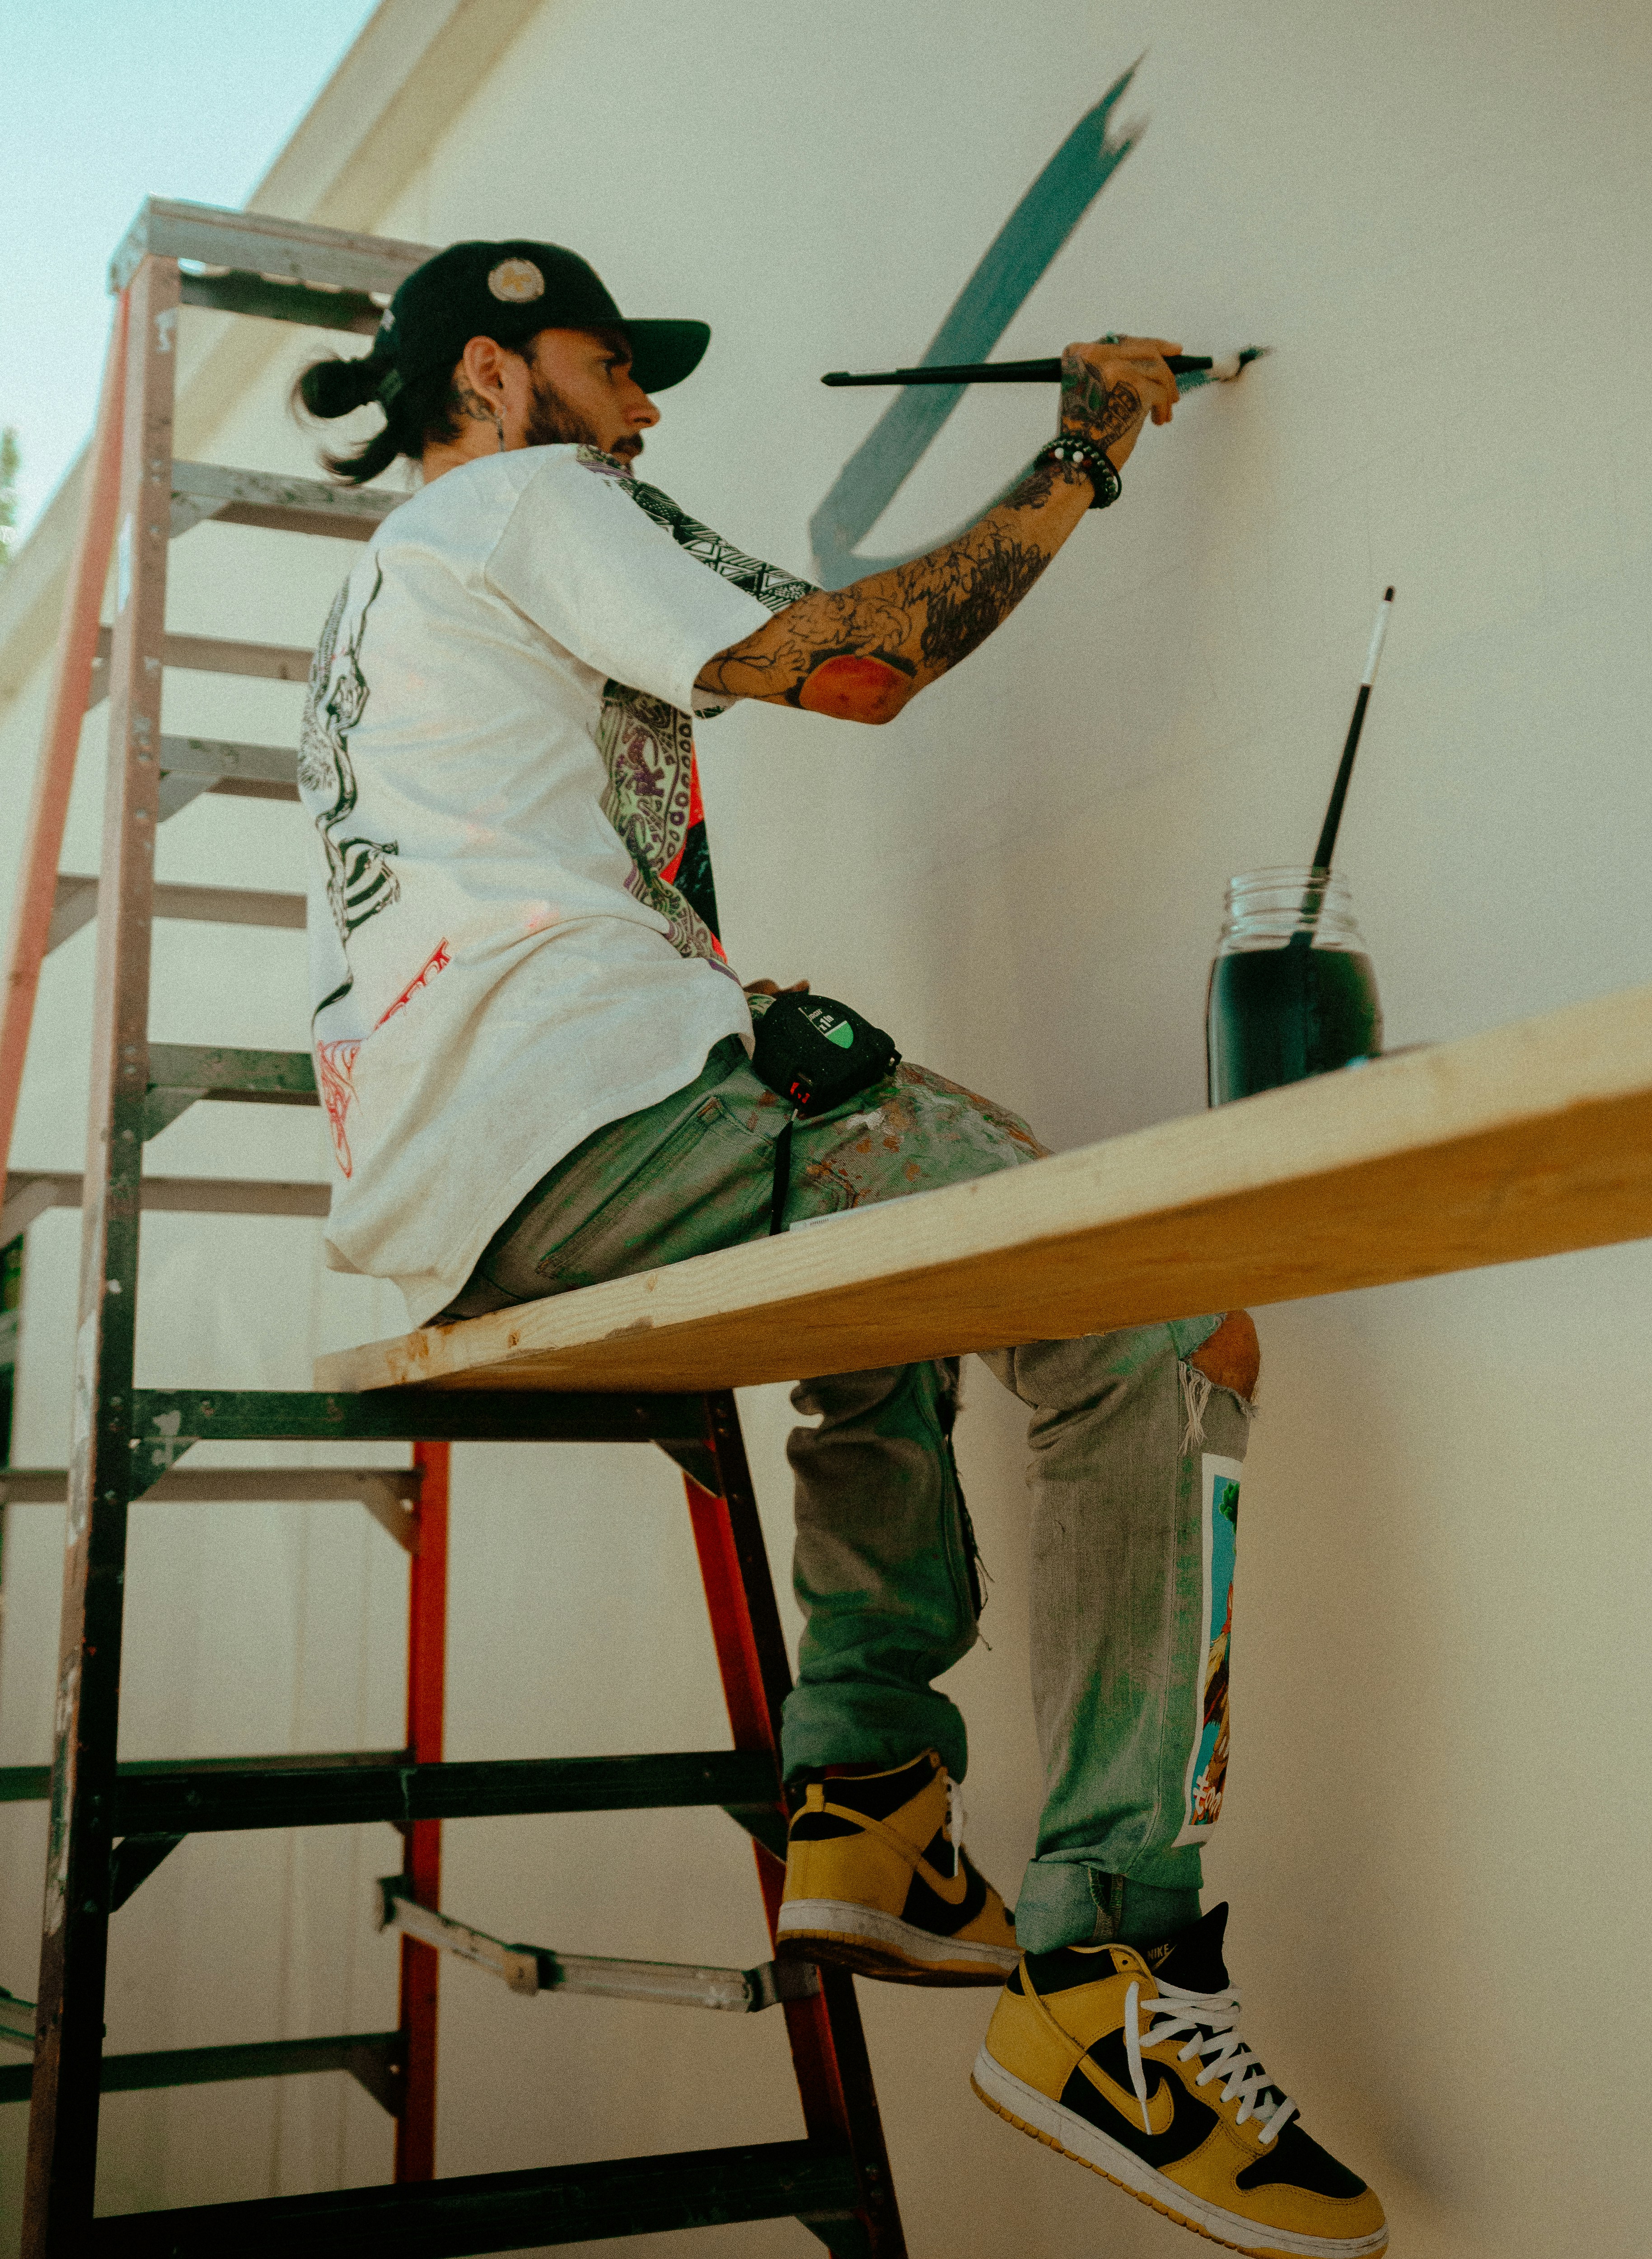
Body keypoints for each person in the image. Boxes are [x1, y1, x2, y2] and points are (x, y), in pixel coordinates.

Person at [295, 238, 1386, 2256]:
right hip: (590, 1092)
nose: (644, 408)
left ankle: (871, 1797)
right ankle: (1105, 1973)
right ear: (484, 375)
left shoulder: (390, 592)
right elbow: (860, 659)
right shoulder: (526, 498)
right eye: (610, 366)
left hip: (472, 1174)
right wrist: (1087, 445)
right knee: (1164, 1322)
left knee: (874, 1270)